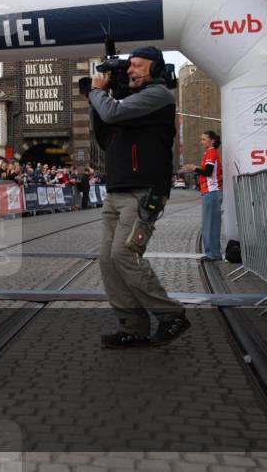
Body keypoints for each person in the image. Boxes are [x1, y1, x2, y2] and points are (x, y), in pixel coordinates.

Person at [87, 45, 190, 348]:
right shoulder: (131, 101)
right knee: (107, 259)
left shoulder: (158, 97)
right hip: (117, 191)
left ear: (155, 70)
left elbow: (112, 112)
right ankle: (133, 325)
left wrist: (97, 94)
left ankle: (171, 314)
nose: (131, 70)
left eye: (138, 65)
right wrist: (98, 103)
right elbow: (104, 135)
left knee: (124, 254)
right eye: (129, 66)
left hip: (143, 192)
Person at [182, 131, 223, 262]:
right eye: (201, 139)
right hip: (210, 192)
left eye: (204, 139)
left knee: (210, 224)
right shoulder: (209, 153)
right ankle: (212, 252)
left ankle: (213, 254)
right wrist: (195, 168)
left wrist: (194, 168)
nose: (201, 142)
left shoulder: (211, 153)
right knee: (211, 224)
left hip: (211, 192)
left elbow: (208, 172)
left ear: (212, 141)